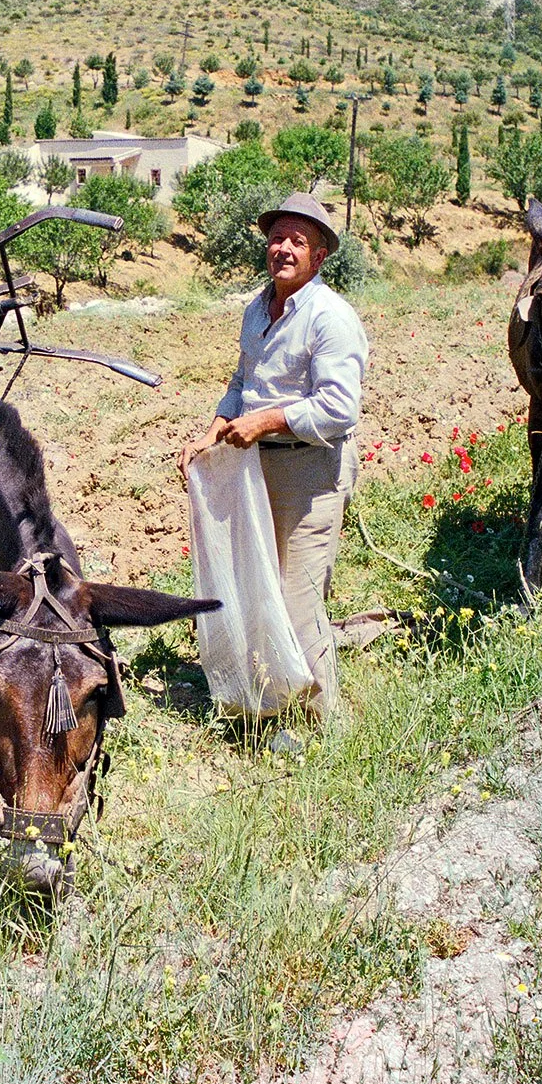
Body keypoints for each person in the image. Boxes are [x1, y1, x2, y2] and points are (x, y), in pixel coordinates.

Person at [178, 193, 369, 745]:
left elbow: (338, 408)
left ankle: (325, 726)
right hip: (259, 468)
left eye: (297, 241)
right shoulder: (258, 309)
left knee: (298, 601)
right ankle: (273, 708)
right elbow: (243, 383)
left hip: (312, 470)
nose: (282, 248)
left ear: (320, 256)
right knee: (257, 588)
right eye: (276, 237)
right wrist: (215, 426)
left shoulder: (330, 318)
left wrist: (265, 422)